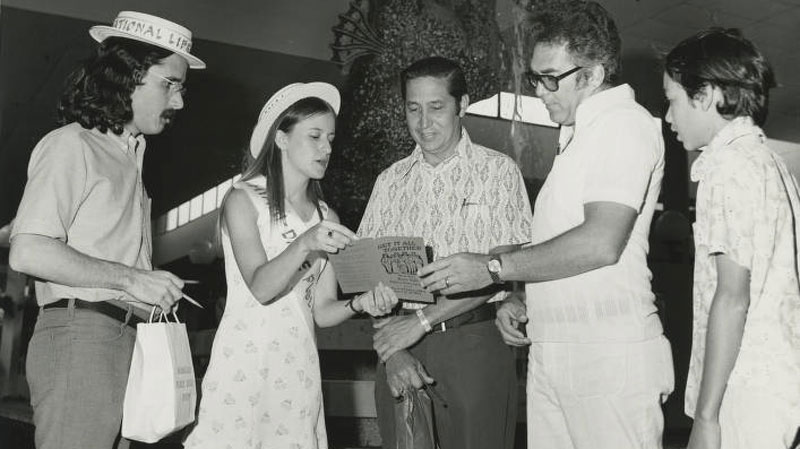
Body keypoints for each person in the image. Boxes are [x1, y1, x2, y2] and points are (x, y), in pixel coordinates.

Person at [418, 2, 674, 448]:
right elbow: (563, 247)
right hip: (557, 348)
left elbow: (600, 243)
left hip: (606, 355)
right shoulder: (578, 134)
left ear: (593, 74)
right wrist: (525, 300)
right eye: (535, 78)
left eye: (552, 78)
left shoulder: (623, 125)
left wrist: (495, 270)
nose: (541, 91)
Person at [8, 11, 204, 449]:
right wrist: (133, 278)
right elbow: (28, 251)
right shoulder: (72, 145)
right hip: (84, 337)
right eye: (168, 84)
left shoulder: (131, 157)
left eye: (182, 89)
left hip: (124, 337)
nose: (178, 103)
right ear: (126, 76)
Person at [183, 82, 397, 449]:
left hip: (297, 365)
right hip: (244, 362)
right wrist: (305, 242)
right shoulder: (243, 199)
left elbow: (321, 311)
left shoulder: (325, 214)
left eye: (330, 138)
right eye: (314, 136)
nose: (327, 148)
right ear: (280, 138)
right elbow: (262, 287)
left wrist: (359, 303)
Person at [359, 56, 533, 449]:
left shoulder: (497, 172)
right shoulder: (389, 182)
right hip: (399, 347)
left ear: (463, 104)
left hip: (474, 343)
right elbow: (369, 283)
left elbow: (504, 268)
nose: (424, 122)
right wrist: (393, 355)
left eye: (436, 107)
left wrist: (421, 321)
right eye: (413, 108)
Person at [663, 28, 800, 449]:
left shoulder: (727, 167)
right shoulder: (770, 164)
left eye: (672, 101)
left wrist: (706, 418)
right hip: (778, 386)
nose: (668, 117)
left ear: (704, 94)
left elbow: (732, 296)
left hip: (747, 391)